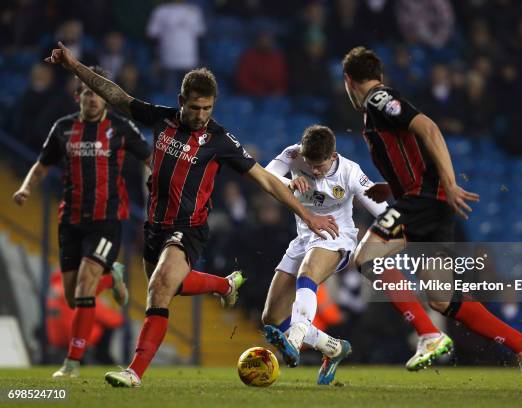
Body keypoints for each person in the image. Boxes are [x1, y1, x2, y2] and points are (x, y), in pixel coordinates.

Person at [44, 41, 338, 388]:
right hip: (154, 226)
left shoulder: (220, 140)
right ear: (182, 101)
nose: (201, 116)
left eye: (208, 109)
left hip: (188, 228)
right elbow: (116, 94)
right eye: (195, 108)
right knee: (171, 285)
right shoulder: (161, 118)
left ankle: (133, 371)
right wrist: (75, 65)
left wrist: (308, 216)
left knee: (160, 288)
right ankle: (225, 283)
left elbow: (267, 181)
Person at [342, 46, 522, 395]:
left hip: (422, 200)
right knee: (440, 298)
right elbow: (408, 151)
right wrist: (388, 185)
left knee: (366, 258)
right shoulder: (378, 105)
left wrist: (450, 184)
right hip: (427, 204)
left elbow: (429, 128)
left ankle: (428, 334)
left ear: (349, 80)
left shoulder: (377, 100)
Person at [261, 125, 452, 384]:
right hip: (303, 238)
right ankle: (333, 347)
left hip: (336, 238)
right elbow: (267, 175)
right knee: (271, 318)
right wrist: (289, 181)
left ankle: (296, 337)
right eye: (310, 164)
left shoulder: (350, 173)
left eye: (321, 165)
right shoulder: (294, 154)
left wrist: (416, 234)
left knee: (308, 273)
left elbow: (382, 211)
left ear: (333, 155)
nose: (315, 171)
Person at [13, 66, 151, 379]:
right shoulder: (62, 129)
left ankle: (72, 363)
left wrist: (157, 185)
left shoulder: (121, 127)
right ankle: (112, 274)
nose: (92, 99)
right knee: (74, 296)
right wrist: (25, 188)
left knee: (87, 284)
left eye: (98, 94)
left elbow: (150, 159)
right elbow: (42, 164)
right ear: (79, 97)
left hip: (106, 219)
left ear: (105, 99)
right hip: (70, 220)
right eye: (87, 93)